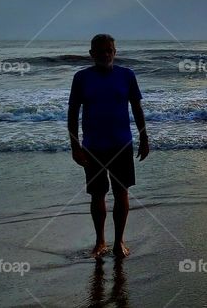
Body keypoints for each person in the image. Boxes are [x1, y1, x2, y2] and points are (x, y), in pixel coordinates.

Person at [68, 34, 149, 259]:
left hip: (121, 143)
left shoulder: (127, 76)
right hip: (92, 146)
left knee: (121, 192)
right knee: (97, 194)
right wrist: (75, 146)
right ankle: (100, 242)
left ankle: (119, 241)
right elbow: (73, 113)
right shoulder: (81, 78)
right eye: (100, 51)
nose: (105, 54)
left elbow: (137, 108)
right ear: (92, 53)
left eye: (109, 50)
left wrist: (144, 138)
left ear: (115, 51)